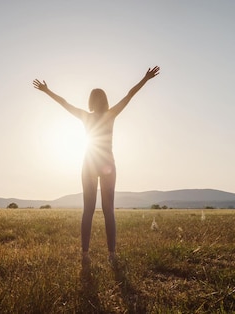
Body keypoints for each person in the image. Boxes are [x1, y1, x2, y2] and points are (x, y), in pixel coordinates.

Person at [33, 66, 160, 265]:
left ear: (91, 102)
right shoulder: (111, 114)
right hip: (107, 163)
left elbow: (65, 104)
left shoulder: (87, 116)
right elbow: (129, 95)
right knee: (109, 210)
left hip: (90, 163)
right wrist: (145, 78)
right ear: (106, 101)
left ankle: (85, 254)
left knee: (88, 210)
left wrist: (47, 91)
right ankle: (111, 254)